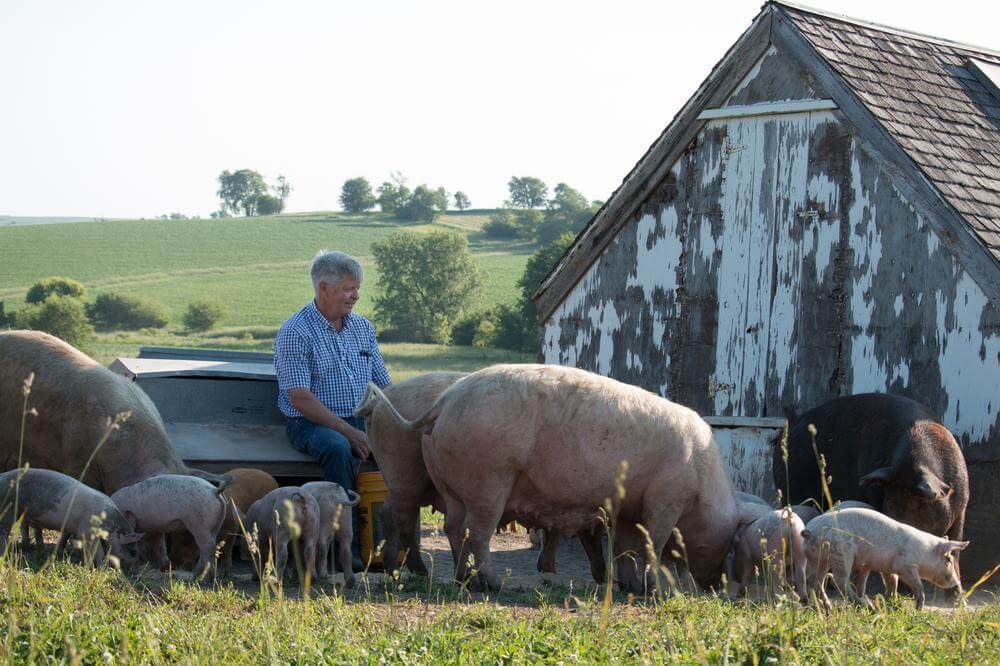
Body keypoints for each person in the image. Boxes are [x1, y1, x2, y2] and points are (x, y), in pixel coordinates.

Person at [274, 250, 391, 565]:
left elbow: (383, 385)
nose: (356, 295)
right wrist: (351, 432)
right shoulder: (295, 332)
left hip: (358, 418)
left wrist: (395, 423)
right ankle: (346, 552)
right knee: (339, 447)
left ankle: (390, 542)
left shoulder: (363, 328)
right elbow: (300, 398)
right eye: (348, 288)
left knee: (398, 445)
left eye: (356, 288)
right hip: (311, 422)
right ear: (323, 288)